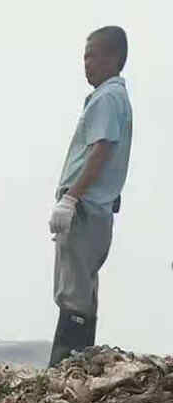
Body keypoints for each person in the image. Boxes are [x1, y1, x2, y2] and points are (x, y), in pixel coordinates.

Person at [48, 26, 132, 366]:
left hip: (85, 207)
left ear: (112, 58)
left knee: (74, 293)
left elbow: (100, 150)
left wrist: (71, 198)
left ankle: (66, 365)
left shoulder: (108, 98)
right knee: (82, 289)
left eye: (91, 55)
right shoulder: (114, 97)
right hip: (95, 209)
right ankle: (77, 365)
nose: (86, 63)